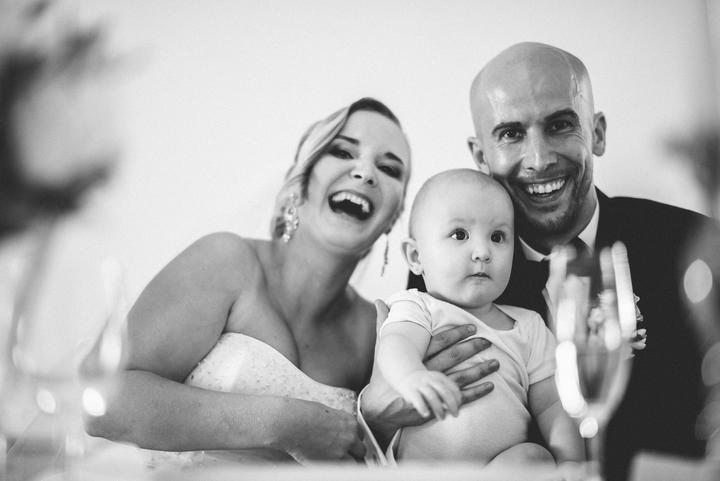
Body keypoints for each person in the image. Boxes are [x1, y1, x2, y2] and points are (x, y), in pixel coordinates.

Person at [85, 97, 498, 464]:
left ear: (394, 218)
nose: (366, 173)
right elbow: (101, 401)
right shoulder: (227, 262)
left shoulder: (379, 332)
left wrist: (376, 420)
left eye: (389, 169)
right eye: (343, 151)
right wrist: (287, 423)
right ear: (301, 180)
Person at [383, 42, 713, 480]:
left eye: (559, 125)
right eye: (511, 133)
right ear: (481, 156)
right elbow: (404, 415)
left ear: (597, 133)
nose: (538, 159)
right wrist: (378, 412)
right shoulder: (448, 270)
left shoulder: (692, 245)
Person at [375, 169, 583, 465]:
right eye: (460, 234)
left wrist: (572, 463)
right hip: (422, 471)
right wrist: (411, 376)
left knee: (535, 458)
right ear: (416, 257)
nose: (483, 252)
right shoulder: (418, 306)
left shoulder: (529, 326)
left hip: (499, 469)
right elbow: (396, 343)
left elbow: (553, 406)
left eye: (498, 237)